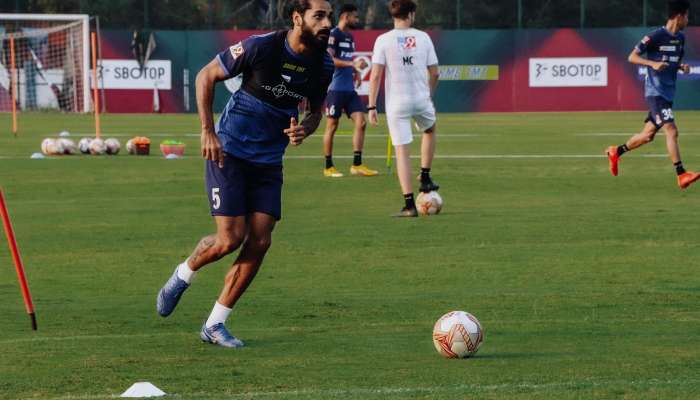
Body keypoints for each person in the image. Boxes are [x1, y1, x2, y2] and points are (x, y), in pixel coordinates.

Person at [156, 0, 334, 348]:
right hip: (230, 150)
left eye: (330, 16)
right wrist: (207, 131)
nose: (328, 22)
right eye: (320, 16)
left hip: (269, 160)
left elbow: (314, 112)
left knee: (262, 240)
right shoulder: (260, 46)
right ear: (298, 18)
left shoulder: (322, 65)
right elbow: (206, 75)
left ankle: (215, 324)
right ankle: (184, 273)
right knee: (228, 239)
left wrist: (306, 130)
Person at [606, 0, 700, 189]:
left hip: (667, 94)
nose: (688, 20)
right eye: (687, 16)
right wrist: (652, 64)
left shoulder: (680, 38)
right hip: (655, 93)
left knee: (648, 135)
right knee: (671, 130)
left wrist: (681, 66)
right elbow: (632, 57)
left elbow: (673, 62)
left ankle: (616, 151)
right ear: (679, 16)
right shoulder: (655, 36)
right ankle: (681, 174)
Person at [367, 0, 440, 217]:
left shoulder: (383, 40)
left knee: (402, 153)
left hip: (396, 103)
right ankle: (425, 176)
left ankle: (409, 205)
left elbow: (376, 75)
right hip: (420, 98)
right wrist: (428, 94)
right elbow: (435, 73)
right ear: (411, 14)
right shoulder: (423, 37)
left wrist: (371, 106)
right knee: (430, 130)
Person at [322, 3, 377, 178]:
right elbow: (330, 59)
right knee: (332, 126)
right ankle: (328, 166)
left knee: (361, 122)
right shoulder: (333, 34)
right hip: (335, 90)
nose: (357, 20)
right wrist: (352, 64)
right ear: (345, 16)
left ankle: (357, 165)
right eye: (355, 16)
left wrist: (355, 71)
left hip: (349, 89)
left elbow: (346, 59)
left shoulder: (350, 37)